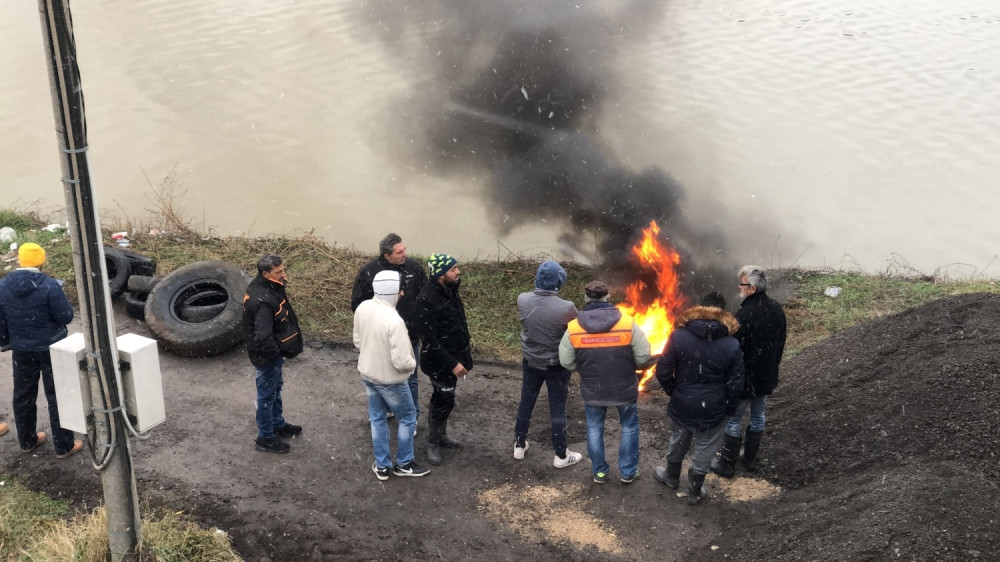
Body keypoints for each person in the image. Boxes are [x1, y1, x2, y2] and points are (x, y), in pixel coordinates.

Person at [653, 292, 744, 505]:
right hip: (714, 407)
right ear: (724, 314)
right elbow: (736, 383)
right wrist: (729, 407)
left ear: (699, 310)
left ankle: (671, 476)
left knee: (678, 439)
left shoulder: (678, 336)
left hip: (682, 403)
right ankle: (695, 489)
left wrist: (674, 391)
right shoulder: (731, 344)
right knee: (706, 445)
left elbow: (663, 372)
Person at [559, 281, 652, 484]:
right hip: (624, 387)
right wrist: (629, 366)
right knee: (629, 426)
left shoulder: (574, 327)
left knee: (594, 427)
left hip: (593, 389)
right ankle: (627, 472)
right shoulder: (627, 323)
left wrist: (584, 368)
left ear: (586, 299)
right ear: (608, 298)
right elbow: (644, 356)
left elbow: (566, 361)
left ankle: (599, 472)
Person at [0, 242, 83, 458]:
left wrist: (7, 341)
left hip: (21, 350)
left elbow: (1, 320)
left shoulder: (3, 286)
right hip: (51, 348)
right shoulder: (49, 285)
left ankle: (27, 441)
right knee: (57, 396)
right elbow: (65, 316)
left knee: (23, 396)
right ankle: (64, 446)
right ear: (41, 261)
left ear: (19, 260)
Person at [354, 270, 430, 480]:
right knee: (407, 417)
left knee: (377, 418)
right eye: (400, 289)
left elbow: (358, 342)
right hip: (391, 380)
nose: (403, 293)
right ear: (391, 291)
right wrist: (413, 365)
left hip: (367, 373)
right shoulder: (394, 321)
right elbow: (402, 361)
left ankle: (382, 466)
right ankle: (404, 463)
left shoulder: (363, 308)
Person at [712, 265, 787, 477]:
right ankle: (749, 459)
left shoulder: (745, 314)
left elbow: (733, 348)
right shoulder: (776, 309)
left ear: (752, 288)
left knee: (734, 418)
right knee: (758, 414)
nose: (739, 287)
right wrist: (772, 366)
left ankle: (726, 465)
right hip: (765, 374)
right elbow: (781, 341)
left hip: (745, 377)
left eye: (742, 283)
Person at [350, 233, 428, 422]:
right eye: (400, 252)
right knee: (378, 376)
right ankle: (385, 411)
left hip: (410, 335)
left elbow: (425, 296)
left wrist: (421, 322)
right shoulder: (369, 271)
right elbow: (358, 304)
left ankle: (412, 416)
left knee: (410, 377)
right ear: (387, 255)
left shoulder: (414, 267)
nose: (405, 254)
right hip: (379, 337)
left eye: (405, 249)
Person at [513, 260, 582, 468]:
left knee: (527, 401)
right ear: (559, 282)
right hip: (556, 366)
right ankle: (561, 455)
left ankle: (519, 444)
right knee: (558, 407)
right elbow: (576, 332)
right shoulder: (566, 307)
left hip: (531, 361)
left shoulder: (522, 299)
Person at [243, 254, 304, 454]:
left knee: (275, 389)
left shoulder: (266, 288)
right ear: (265, 273)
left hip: (270, 354)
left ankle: (277, 424)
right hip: (266, 356)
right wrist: (277, 353)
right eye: (278, 273)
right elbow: (263, 336)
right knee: (267, 396)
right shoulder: (263, 300)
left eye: (283, 270)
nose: (283, 275)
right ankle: (265, 438)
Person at [415, 253, 472, 466]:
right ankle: (432, 443)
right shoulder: (427, 299)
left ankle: (441, 435)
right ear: (440, 275)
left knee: (447, 399)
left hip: (454, 357)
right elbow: (429, 340)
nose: (458, 272)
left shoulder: (450, 290)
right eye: (453, 269)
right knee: (441, 400)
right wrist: (453, 364)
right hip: (439, 363)